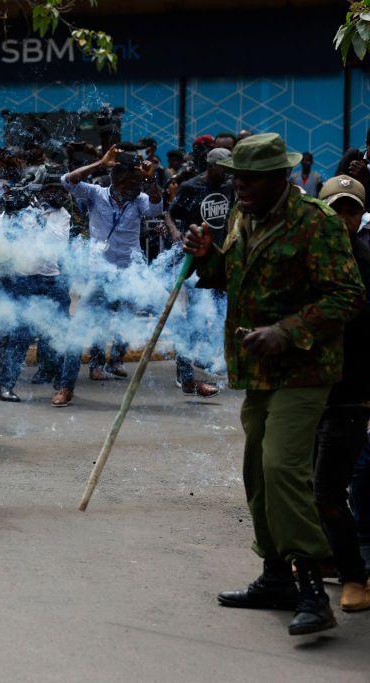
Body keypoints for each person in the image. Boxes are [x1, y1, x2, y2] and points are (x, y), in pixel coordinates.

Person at [185, 133, 365, 636]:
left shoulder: (317, 222)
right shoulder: (247, 215)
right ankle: (275, 577)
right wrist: (206, 255)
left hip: (304, 368)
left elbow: (348, 296)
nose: (238, 186)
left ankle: (311, 584)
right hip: (257, 371)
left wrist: (286, 332)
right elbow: (230, 277)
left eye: (250, 179)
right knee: (258, 473)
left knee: (282, 467)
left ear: (279, 178)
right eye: (237, 177)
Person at [311, 175, 370, 612]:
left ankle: (355, 577)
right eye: (337, 208)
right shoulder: (310, 255)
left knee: (329, 488)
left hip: (352, 389)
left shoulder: (364, 262)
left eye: (351, 209)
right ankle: (328, 560)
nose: (344, 217)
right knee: (312, 481)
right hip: (311, 387)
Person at [62, 146, 164, 380]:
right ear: (116, 183)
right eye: (131, 186)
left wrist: (151, 180)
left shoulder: (139, 199)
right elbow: (67, 181)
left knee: (129, 316)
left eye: (139, 186)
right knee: (94, 320)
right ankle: (86, 372)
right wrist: (100, 163)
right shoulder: (96, 194)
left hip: (131, 271)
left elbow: (156, 206)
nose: (136, 191)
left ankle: (116, 360)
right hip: (100, 271)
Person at [0, 181, 82, 407]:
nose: (55, 195)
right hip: (23, 280)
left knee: (61, 333)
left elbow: (59, 243)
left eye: (58, 190)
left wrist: (39, 219)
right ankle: (4, 386)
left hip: (53, 280)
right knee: (20, 334)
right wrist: (16, 215)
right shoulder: (14, 214)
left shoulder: (61, 214)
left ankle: (62, 386)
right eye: (49, 190)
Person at [165, 147, 234, 398]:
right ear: (210, 165)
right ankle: (187, 378)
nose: (226, 172)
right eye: (223, 167)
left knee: (222, 318)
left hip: (221, 259)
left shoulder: (230, 186)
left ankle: (215, 365)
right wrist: (175, 232)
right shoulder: (191, 187)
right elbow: (169, 214)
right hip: (194, 260)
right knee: (193, 319)